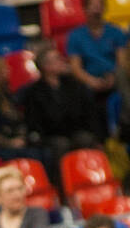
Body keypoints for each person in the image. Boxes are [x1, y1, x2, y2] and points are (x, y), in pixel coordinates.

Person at [20, 44, 103, 184]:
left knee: (86, 139)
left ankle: (92, 181)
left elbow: (87, 111)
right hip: (50, 134)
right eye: (56, 59)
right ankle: (64, 186)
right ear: (45, 66)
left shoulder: (74, 84)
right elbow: (34, 121)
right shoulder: (34, 91)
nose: (61, 61)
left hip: (75, 129)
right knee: (61, 145)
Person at [66, 0, 127, 120]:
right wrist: (91, 81)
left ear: (105, 8)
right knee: (79, 93)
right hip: (88, 81)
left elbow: (122, 61)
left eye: (100, 5)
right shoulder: (75, 36)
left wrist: (114, 77)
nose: (96, 10)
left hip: (114, 78)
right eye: (93, 6)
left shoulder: (116, 32)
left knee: (126, 86)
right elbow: (75, 67)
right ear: (85, 9)